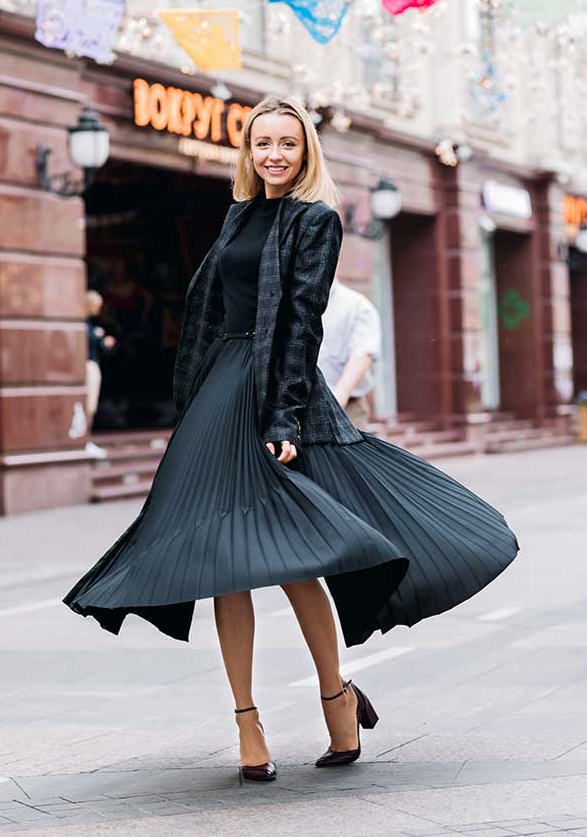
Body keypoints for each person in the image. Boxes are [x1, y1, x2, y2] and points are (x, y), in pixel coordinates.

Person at [63, 96, 518, 783]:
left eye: (288, 143)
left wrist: (284, 417)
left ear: (306, 152)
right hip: (219, 391)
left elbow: (302, 321)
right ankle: (248, 723)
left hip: (274, 389)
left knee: (297, 554)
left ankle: (336, 696)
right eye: (263, 142)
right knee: (223, 563)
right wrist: (192, 407)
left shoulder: (316, 220)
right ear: (249, 151)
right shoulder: (238, 215)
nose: (275, 153)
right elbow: (213, 314)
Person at [318, 277, 381, 429]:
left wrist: (341, 394)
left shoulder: (356, 305)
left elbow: (363, 354)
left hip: (346, 408)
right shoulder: (291, 302)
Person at [85, 290, 116, 458]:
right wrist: (101, 340)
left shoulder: (89, 324)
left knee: (90, 405)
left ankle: (86, 439)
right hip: (88, 366)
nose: (100, 308)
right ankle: (85, 440)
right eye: (97, 304)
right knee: (89, 405)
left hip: (91, 364)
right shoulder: (85, 325)